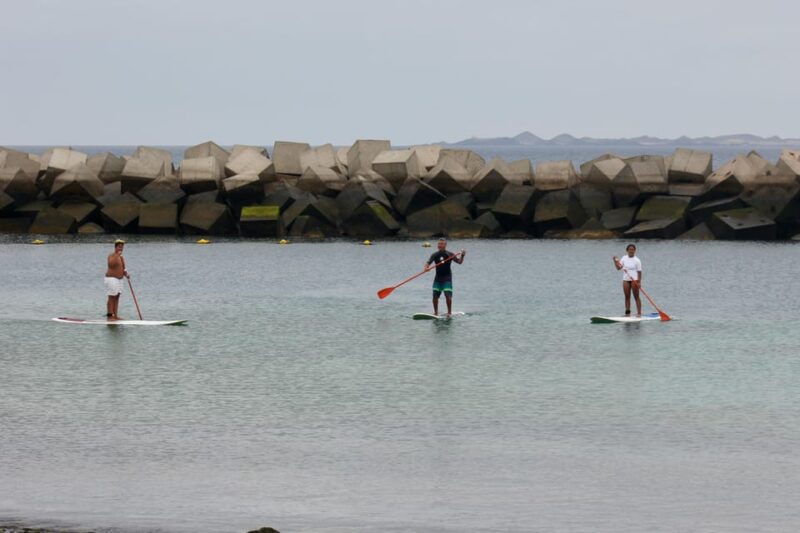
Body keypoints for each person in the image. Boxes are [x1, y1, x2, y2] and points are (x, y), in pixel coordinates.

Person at [425, 238, 465, 316]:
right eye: (439, 244)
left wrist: (462, 255)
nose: (440, 245)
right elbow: (428, 263)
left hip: (447, 278)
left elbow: (459, 262)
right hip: (438, 278)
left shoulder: (450, 254)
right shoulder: (435, 255)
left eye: (442, 244)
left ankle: (449, 313)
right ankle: (436, 313)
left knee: (447, 295)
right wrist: (426, 268)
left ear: (445, 245)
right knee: (435, 296)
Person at [613, 244, 642, 316]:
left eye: (633, 250)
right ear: (627, 250)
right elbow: (618, 268)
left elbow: (639, 272)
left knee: (636, 297)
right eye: (630, 249)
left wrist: (639, 282)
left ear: (635, 251)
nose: (631, 251)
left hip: (634, 280)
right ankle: (627, 313)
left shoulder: (637, 260)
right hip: (626, 279)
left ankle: (639, 313)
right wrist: (615, 261)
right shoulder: (624, 258)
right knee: (627, 297)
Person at [105, 239, 129, 320]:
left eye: (122, 247)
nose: (121, 249)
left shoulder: (121, 257)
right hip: (111, 278)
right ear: (115, 247)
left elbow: (124, 268)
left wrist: (126, 274)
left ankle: (115, 315)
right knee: (112, 296)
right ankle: (110, 316)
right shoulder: (112, 255)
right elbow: (111, 264)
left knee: (117, 296)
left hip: (120, 279)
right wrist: (116, 256)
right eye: (119, 247)